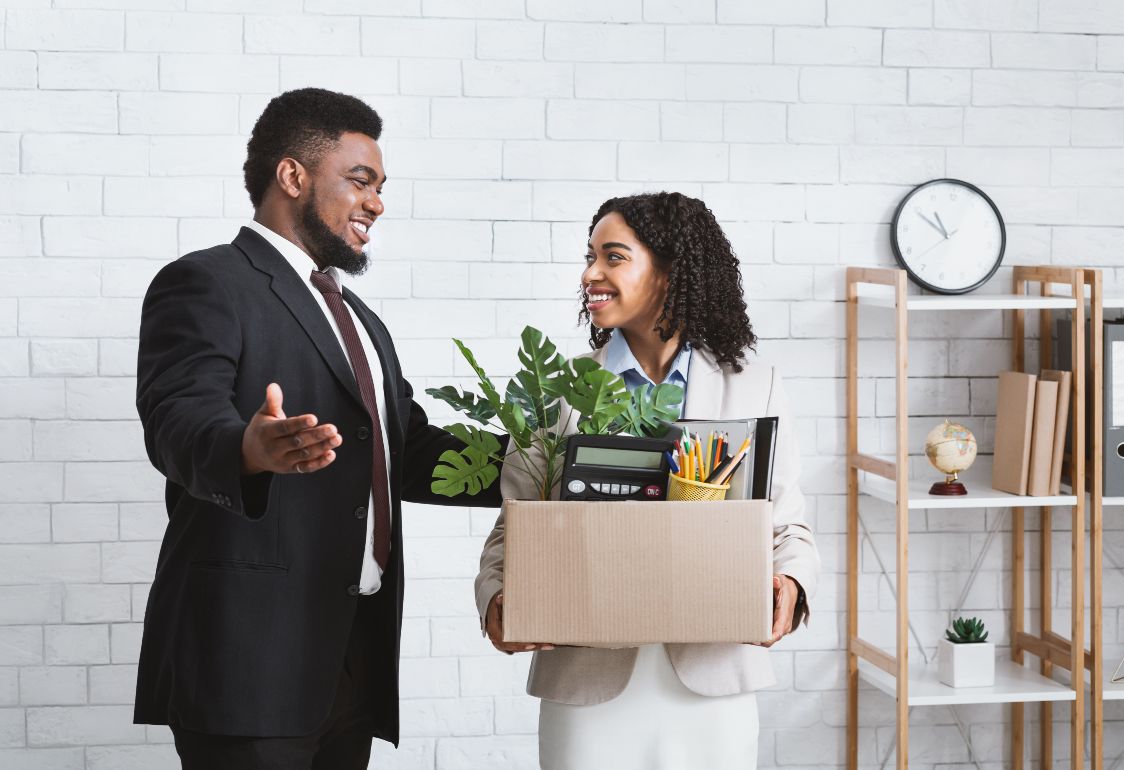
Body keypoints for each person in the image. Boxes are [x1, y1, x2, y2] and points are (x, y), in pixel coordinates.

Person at [134, 87, 501, 770]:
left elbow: (411, 453)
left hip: (350, 652)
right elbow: (177, 417)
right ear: (292, 175)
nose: (377, 203)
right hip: (247, 658)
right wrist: (247, 447)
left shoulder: (360, 319)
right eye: (360, 181)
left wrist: (540, 467)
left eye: (382, 187)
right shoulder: (206, 282)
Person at [475, 191, 820, 769]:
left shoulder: (754, 385)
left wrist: (791, 586)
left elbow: (787, 524)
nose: (591, 274)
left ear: (670, 270)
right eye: (590, 257)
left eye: (613, 257)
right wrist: (496, 602)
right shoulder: (556, 390)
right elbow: (511, 527)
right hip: (586, 682)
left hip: (713, 678)